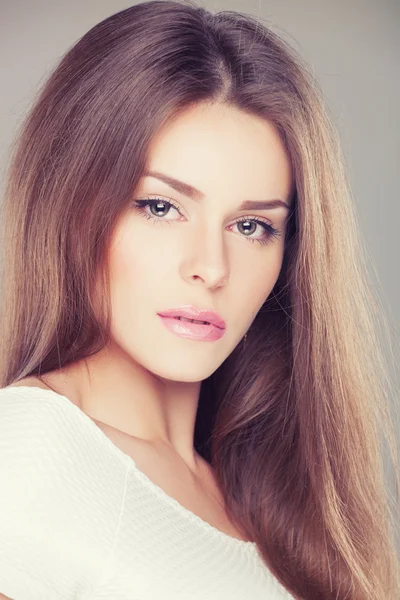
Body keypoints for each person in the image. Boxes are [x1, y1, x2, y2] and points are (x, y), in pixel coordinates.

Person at [0, 1, 398, 599]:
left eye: (252, 227)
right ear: (72, 207)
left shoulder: (272, 498)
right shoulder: (31, 452)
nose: (211, 268)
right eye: (161, 207)